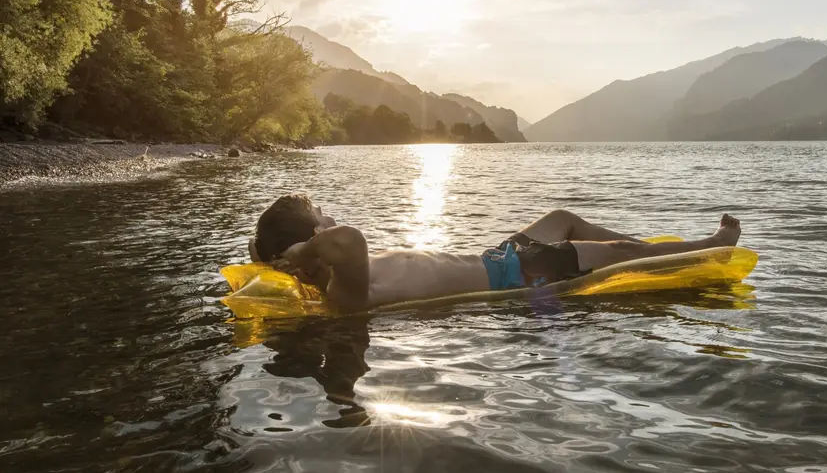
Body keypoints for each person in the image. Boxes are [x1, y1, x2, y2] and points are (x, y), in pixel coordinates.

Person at [249, 194, 742, 312]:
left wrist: (287, 247)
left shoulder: (339, 274)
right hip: (517, 276)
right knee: (611, 251)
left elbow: (340, 237)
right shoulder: (343, 290)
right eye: (323, 218)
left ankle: (641, 245)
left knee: (563, 217)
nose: (333, 221)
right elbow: (348, 239)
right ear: (307, 246)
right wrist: (301, 250)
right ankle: (709, 247)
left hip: (499, 256)